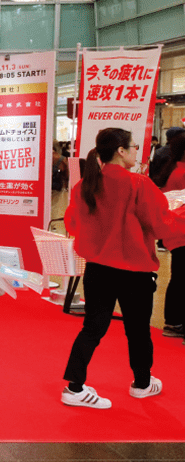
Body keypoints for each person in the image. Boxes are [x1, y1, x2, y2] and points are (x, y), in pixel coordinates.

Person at [61, 128, 185, 410]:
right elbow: (163, 224)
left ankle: (74, 386)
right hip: (134, 271)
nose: (136, 151)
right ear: (121, 150)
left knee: (92, 328)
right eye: (133, 146)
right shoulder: (138, 184)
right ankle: (142, 383)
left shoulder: (85, 186)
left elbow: (73, 224)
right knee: (138, 330)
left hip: (97, 269)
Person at [154, 134, 185, 340]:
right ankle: (174, 323)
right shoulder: (180, 173)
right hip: (182, 231)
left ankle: (173, 322)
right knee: (180, 279)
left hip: (176, 233)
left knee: (179, 278)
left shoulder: (173, 169)